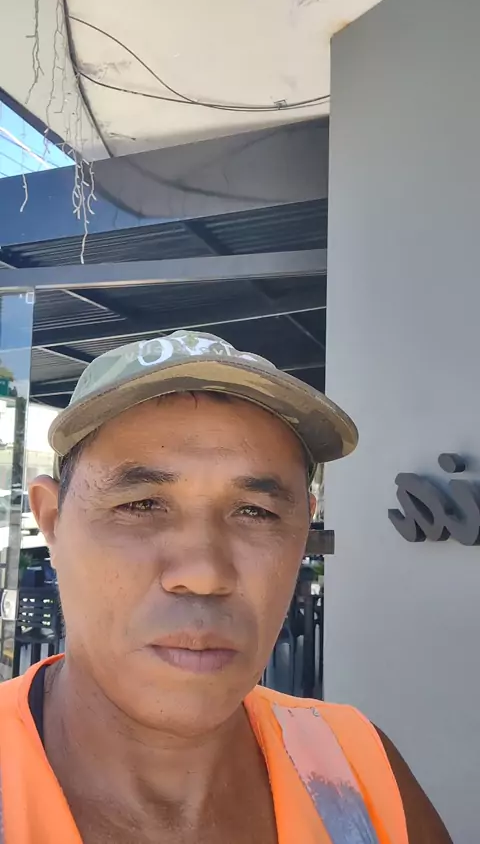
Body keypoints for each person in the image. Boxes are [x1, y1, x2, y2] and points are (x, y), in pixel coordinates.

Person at [0, 330, 452, 844]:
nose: (205, 574)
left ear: (303, 530)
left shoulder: (359, 767)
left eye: (255, 512)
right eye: (142, 505)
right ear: (53, 522)